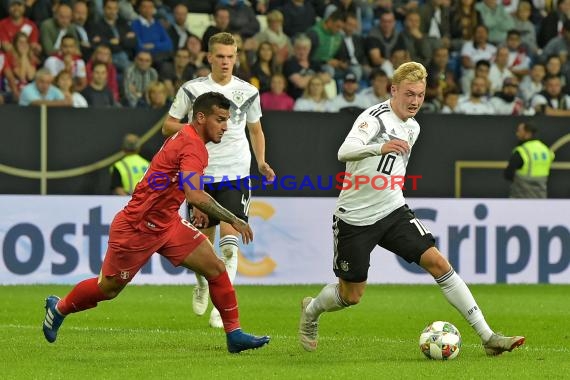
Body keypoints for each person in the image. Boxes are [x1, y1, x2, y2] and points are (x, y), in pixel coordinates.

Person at [298, 61, 525, 356]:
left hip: (393, 210)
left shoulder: (413, 127)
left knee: (439, 263)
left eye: (420, 95)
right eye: (409, 94)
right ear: (393, 90)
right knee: (351, 295)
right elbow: (344, 152)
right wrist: (378, 147)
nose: (415, 101)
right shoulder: (374, 119)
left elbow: (393, 168)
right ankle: (312, 311)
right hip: (355, 218)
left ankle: (488, 337)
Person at [42, 92, 271, 353]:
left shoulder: (190, 139)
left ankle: (234, 334)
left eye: (227, 120)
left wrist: (195, 206)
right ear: (200, 117)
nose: (225, 127)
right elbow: (194, 192)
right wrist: (234, 219)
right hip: (138, 226)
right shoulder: (193, 146)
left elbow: (183, 185)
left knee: (216, 268)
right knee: (108, 288)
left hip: (167, 223)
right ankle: (58, 308)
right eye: (220, 119)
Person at [162, 32, 276, 329]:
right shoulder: (193, 90)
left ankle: (221, 306)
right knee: (201, 247)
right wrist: (195, 126)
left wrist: (261, 162)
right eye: (220, 56)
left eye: (231, 56)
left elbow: (256, 130)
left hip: (236, 174)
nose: (226, 62)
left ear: (236, 57)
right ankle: (201, 284)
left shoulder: (247, 91)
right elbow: (167, 126)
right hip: (199, 175)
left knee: (228, 246)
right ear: (209, 57)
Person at [504, 122, 555, 198]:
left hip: (521, 199)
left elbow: (508, 174)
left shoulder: (521, 151)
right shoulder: (546, 150)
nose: (517, 134)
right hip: (541, 198)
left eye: (519, 131)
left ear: (528, 134)